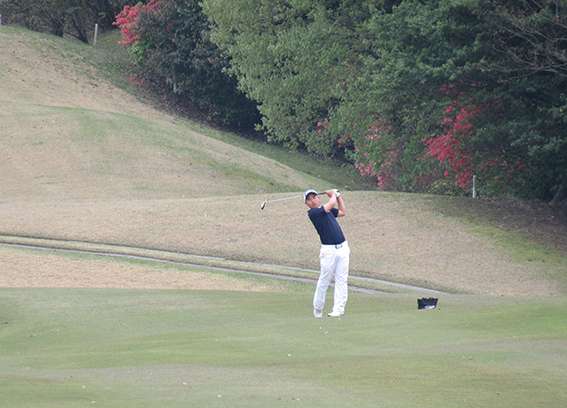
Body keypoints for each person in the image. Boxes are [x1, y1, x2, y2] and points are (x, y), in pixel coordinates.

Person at [303, 189, 350, 318]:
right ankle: (318, 309)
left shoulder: (327, 210)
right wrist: (333, 194)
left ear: (318, 198)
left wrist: (338, 196)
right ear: (306, 203)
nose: (312, 201)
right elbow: (330, 203)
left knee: (341, 280)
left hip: (342, 248)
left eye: (314, 198)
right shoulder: (314, 213)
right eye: (309, 199)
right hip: (328, 250)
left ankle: (338, 309)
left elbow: (342, 212)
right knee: (325, 279)